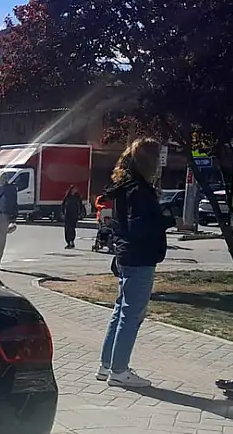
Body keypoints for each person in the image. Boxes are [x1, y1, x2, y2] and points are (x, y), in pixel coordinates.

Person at [96, 137, 174, 388]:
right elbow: (139, 226)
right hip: (140, 256)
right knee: (132, 313)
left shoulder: (126, 185)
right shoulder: (139, 190)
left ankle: (107, 365)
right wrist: (165, 220)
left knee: (121, 310)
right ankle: (119, 370)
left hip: (127, 254)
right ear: (150, 162)